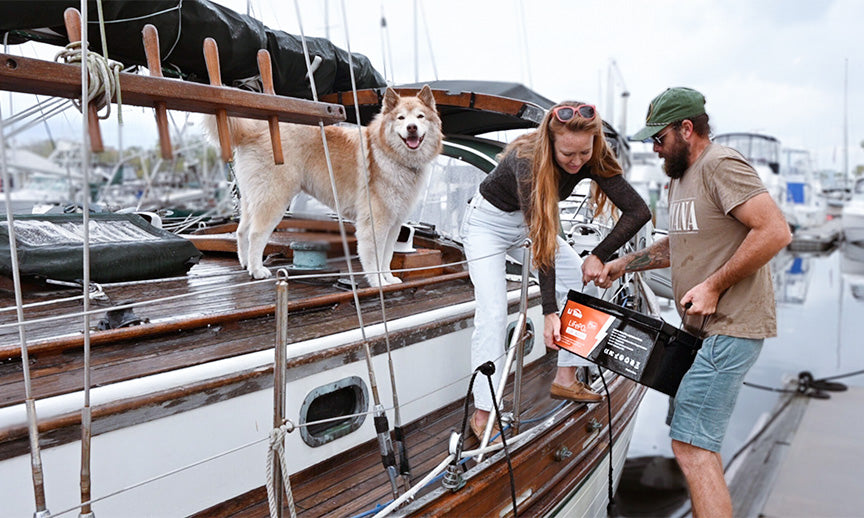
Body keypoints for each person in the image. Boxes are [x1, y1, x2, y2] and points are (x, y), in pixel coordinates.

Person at [599, 87, 792, 517]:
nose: (653, 147)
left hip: (730, 328)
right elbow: (680, 244)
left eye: (659, 137)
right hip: (698, 333)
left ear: (687, 129)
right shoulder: (680, 177)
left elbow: (775, 231)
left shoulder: (719, 164)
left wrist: (713, 287)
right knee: (692, 440)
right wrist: (622, 265)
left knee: (692, 445)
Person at [460, 101, 651, 441]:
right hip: (487, 225)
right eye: (568, 155)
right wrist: (549, 311)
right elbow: (544, 237)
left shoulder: (591, 157)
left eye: (583, 153)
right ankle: (484, 411)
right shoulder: (528, 162)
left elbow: (638, 211)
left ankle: (566, 378)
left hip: (528, 227)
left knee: (584, 283)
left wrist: (598, 254)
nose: (577, 162)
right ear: (551, 143)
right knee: (492, 311)